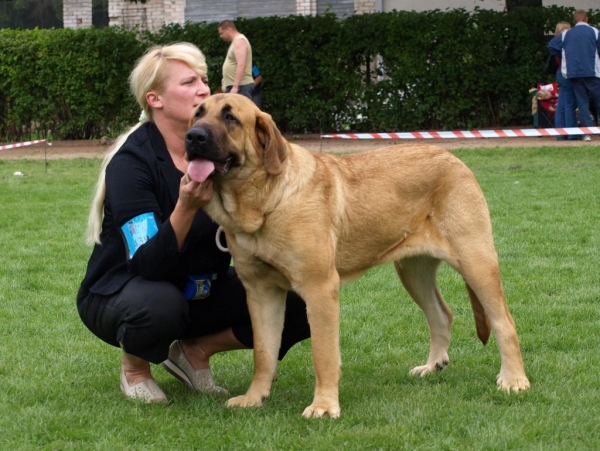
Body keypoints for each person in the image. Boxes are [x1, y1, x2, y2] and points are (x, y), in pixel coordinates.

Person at [76, 42, 310, 403]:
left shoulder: (221, 150)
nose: (203, 87)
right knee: (161, 304)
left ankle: (195, 352)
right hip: (125, 289)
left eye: (203, 78)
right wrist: (185, 207)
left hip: (198, 288)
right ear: (155, 99)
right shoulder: (131, 164)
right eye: (188, 82)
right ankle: (135, 368)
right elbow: (147, 264)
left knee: (298, 294)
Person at [548, 9, 600, 141]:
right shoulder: (594, 31)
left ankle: (586, 133)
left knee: (582, 103)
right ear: (587, 19)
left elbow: (552, 45)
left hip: (574, 73)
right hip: (592, 71)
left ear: (574, 21)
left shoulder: (566, 35)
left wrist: (565, 54)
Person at [549, 21, 580, 141]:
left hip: (559, 73)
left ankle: (560, 132)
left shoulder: (556, 43)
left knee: (561, 103)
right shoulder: (566, 43)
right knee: (570, 103)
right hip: (567, 73)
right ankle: (572, 132)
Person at [218, 20, 254, 99]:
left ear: (228, 29)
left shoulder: (239, 41)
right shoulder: (235, 42)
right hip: (236, 87)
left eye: (221, 33)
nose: (220, 36)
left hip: (241, 87)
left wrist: (235, 87)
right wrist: (225, 83)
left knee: (242, 111)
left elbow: (241, 64)